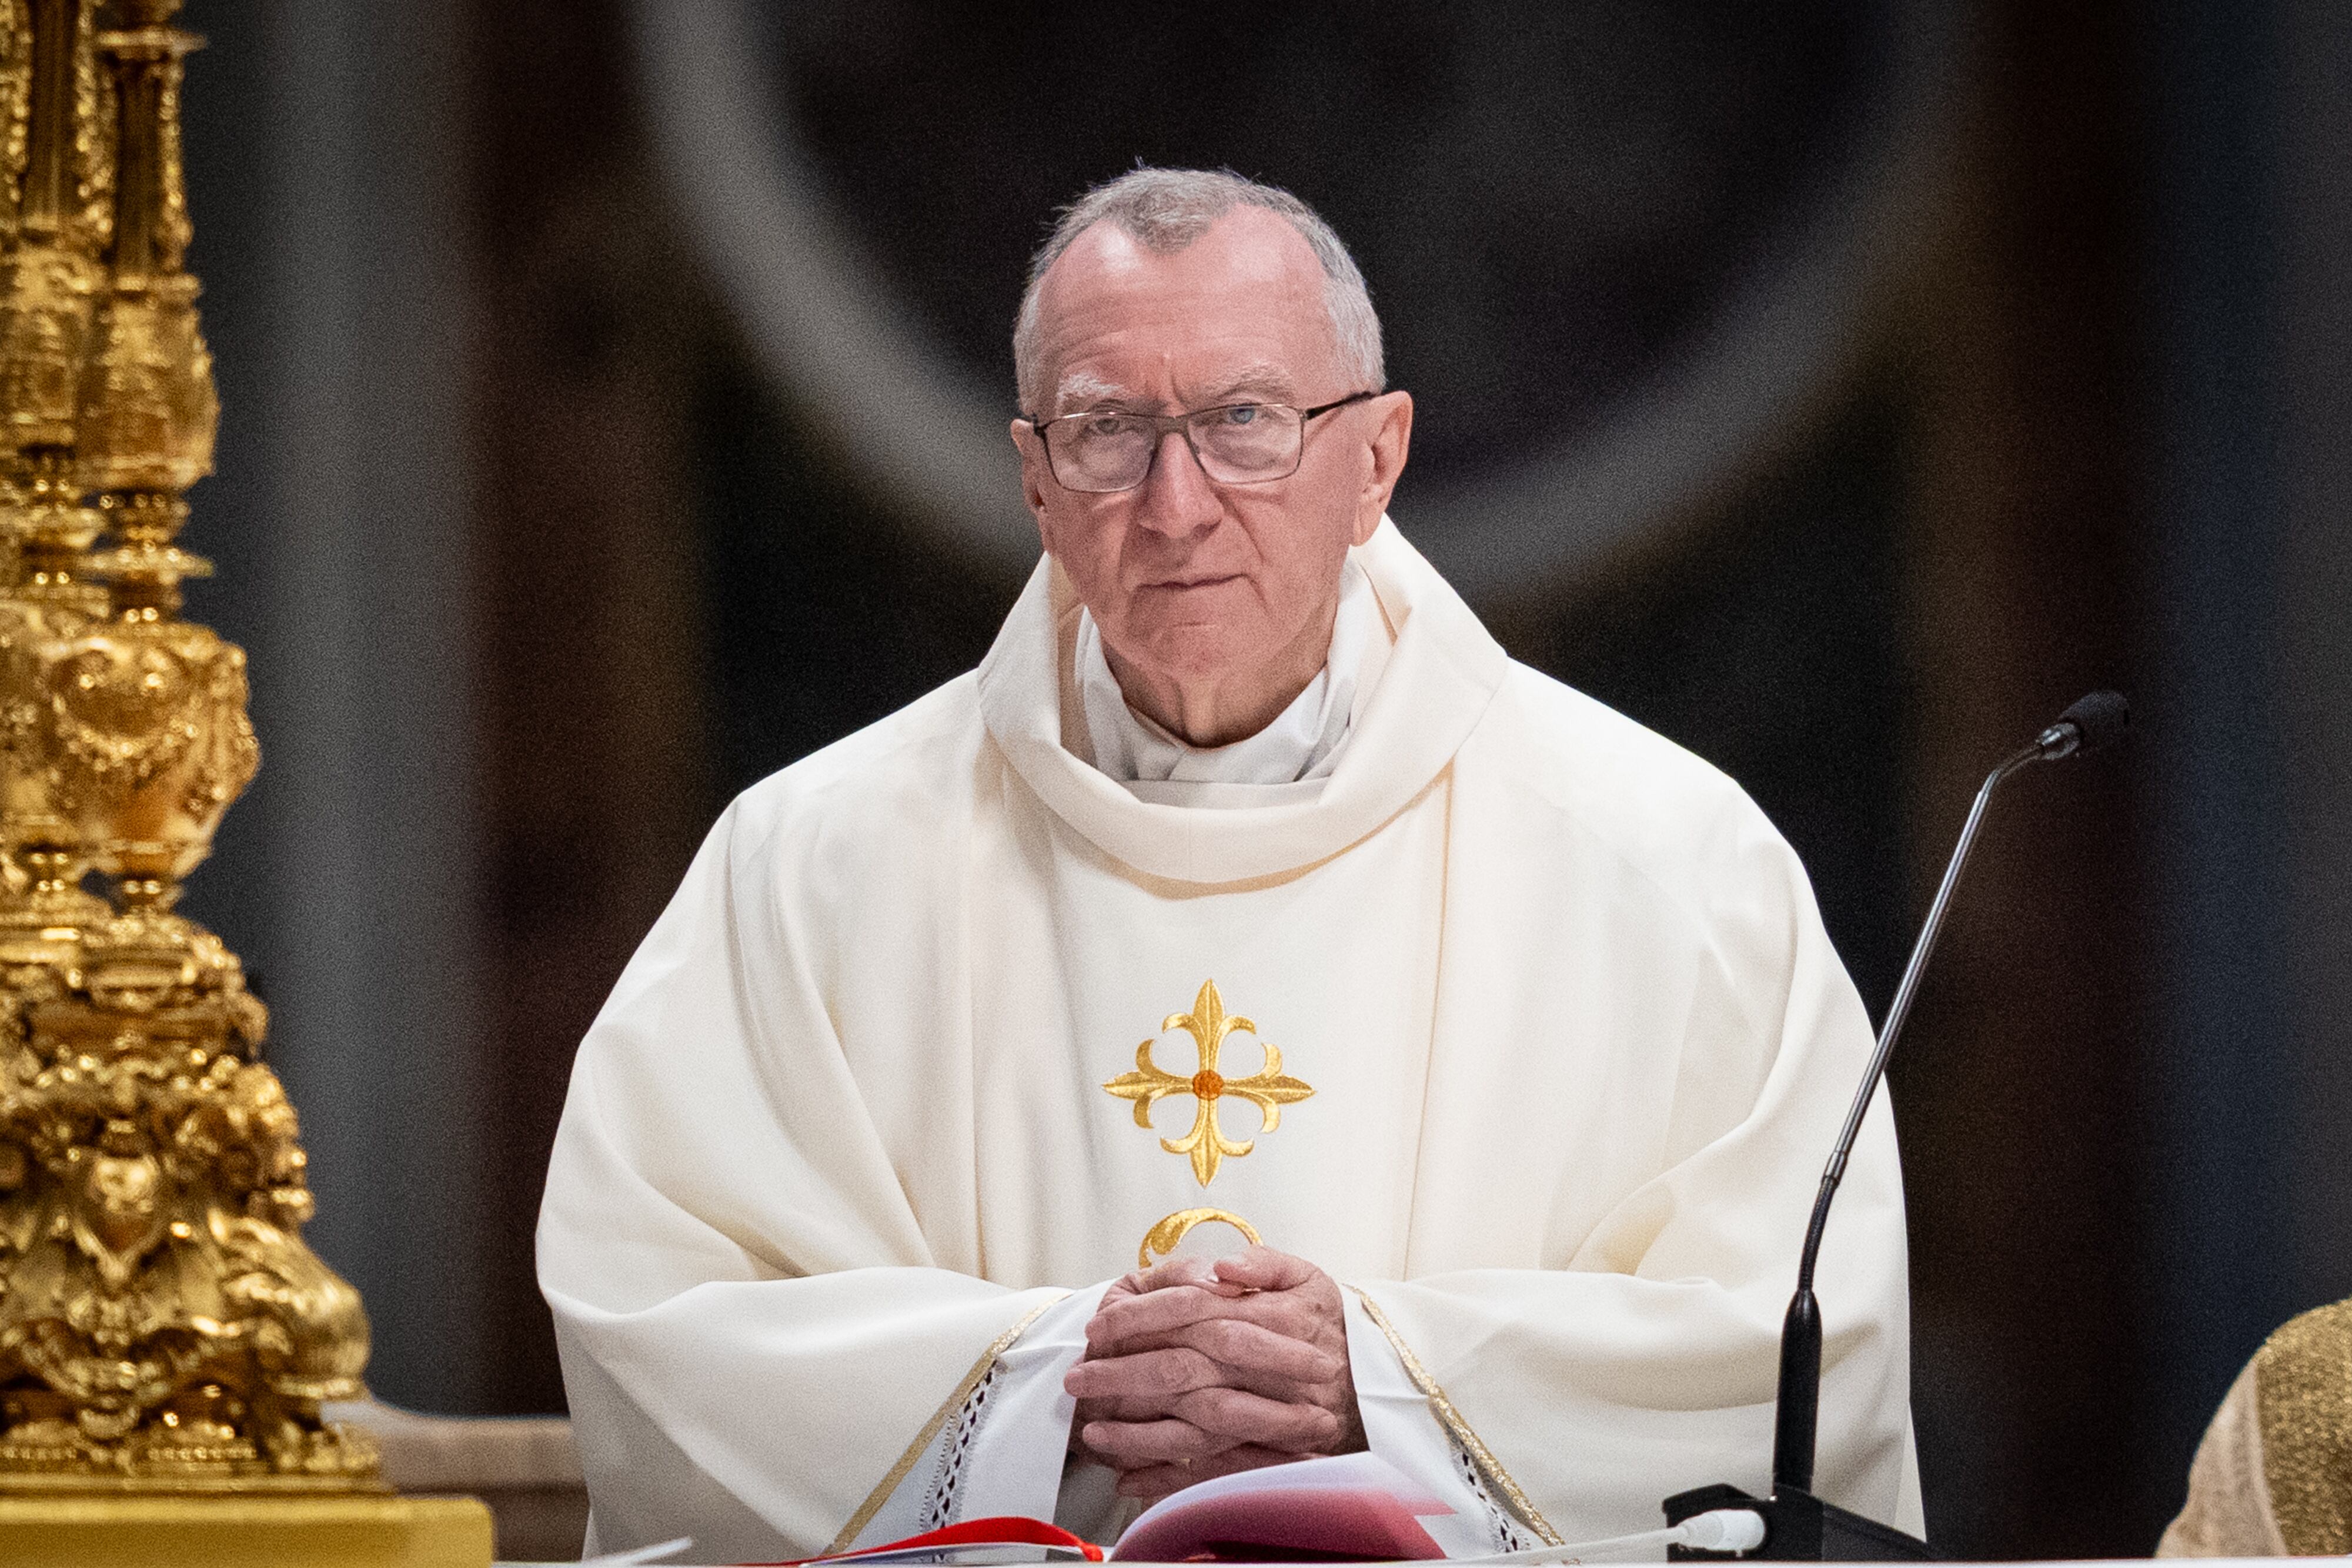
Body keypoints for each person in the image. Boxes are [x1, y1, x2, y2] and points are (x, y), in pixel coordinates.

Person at [538, 168, 1922, 1562]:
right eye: (1106, 431)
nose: (1175, 503)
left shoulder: (1671, 866)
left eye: (1243, 423)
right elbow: (659, 1317)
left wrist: (1374, 1376)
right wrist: (1061, 1377)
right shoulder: (807, 869)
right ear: (1032, 476)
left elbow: (1799, 1348)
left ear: (1375, 460)